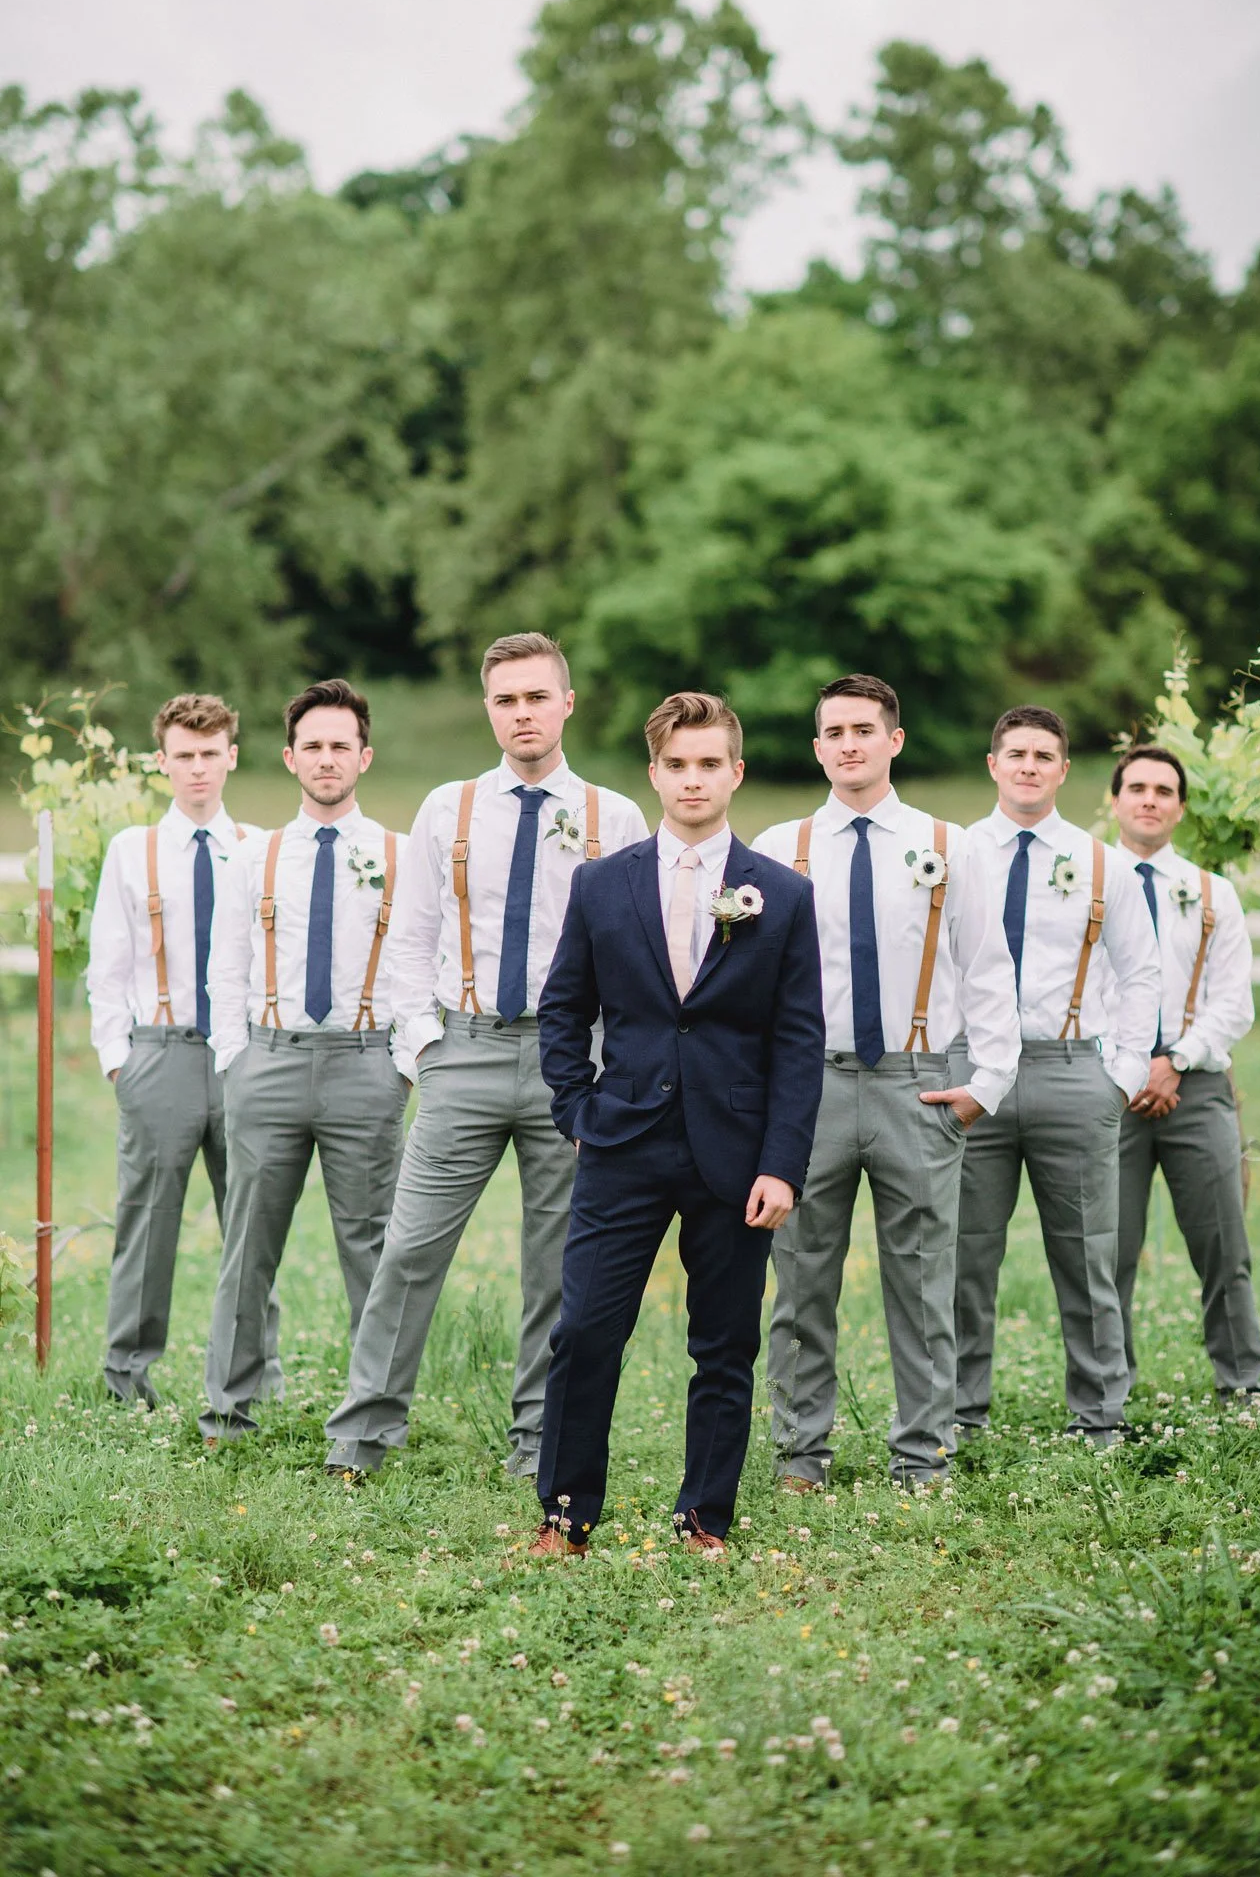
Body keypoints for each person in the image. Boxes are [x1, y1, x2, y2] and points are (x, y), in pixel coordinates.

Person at [324, 632, 649, 1481]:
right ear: (488, 709)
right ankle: (361, 1436)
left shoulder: (614, 817)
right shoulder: (448, 808)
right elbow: (411, 936)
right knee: (409, 1249)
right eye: (506, 700)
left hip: (569, 1062)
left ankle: (537, 1442)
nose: (523, 713)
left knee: (558, 1264)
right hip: (462, 1051)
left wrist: (609, 1067)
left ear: (566, 703)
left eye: (537, 697)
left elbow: (638, 955)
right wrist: (422, 1044)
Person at [524, 691, 825, 1559]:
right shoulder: (600, 883)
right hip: (621, 1141)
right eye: (676, 764)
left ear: (735, 771)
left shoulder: (782, 896)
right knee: (583, 1331)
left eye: (709, 764)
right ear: (653, 772)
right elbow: (562, 1011)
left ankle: (705, 1517)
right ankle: (566, 1515)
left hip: (736, 1155)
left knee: (723, 1342)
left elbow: (798, 1041)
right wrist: (577, 1108)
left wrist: (783, 1163)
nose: (692, 780)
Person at [753, 675, 1020, 1489]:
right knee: (799, 1279)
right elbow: (750, 983)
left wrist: (989, 1081)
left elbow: (985, 967)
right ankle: (801, 1454)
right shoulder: (778, 846)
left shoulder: (949, 843)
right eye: (832, 732)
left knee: (923, 1279)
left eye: (863, 730)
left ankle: (923, 1454)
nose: (848, 745)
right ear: (816, 747)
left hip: (919, 1084)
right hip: (812, 1087)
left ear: (893, 741)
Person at [199, 678, 412, 1444]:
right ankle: (227, 1409)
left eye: (341, 746)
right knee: (248, 1243)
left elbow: (415, 965)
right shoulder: (256, 856)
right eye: (313, 747)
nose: (327, 759)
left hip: (365, 1065)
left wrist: (403, 1065)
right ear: (290, 758)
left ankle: (369, 1422)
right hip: (270, 1060)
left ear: (365, 756)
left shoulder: (399, 854)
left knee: (372, 1247)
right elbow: (224, 966)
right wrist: (235, 1058)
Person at [953, 706, 1160, 1445]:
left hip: (1070, 1071)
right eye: (1016, 752)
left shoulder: (1101, 861)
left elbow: (1141, 973)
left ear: (1064, 771)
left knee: (1085, 1254)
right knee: (963, 1258)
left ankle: (1099, 1416)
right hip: (974, 1074)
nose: (1029, 765)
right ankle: (959, 1416)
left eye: (1044, 755)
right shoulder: (955, 852)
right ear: (992, 764)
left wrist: (1120, 1074)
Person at [87, 693, 278, 1407]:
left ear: (231, 755)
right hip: (159, 1052)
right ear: (160, 761)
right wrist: (119, 1059)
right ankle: (127, 1376)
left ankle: (255, 1378)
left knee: (254, 1220)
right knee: (148, 1219)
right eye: (183, 756)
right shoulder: (131, 851)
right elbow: (108, 963)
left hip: (243, 1054)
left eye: (210, 754)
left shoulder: (260, 848)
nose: (197, 769)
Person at [1108, 744, 1260, 1401]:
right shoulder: (1085, 883)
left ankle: (1243, 1385)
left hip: (1193, 1089)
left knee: (1222, 1246)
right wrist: (1122, 1068)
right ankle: (1104, 1396)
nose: (1149, 799)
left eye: (1163, 790)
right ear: (1114, 801)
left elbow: (1235, 1002)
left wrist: (1174, 1060)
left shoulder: (1211, 893)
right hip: (1107, 1091)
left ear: (1178, 808)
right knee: (1104, 1255)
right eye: (1137, 787)